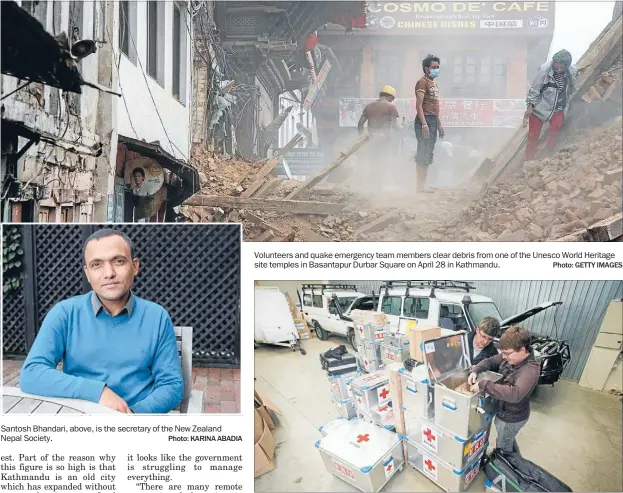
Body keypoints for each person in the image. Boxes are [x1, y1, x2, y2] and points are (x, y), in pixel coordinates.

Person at [19, 229, 184, 414]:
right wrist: (98, 392)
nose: (109, 273)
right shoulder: (65, 313)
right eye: (96, 265)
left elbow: (171, 385)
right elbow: (31, 373)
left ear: (135, 266)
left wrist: (133, 416)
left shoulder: (157, 317)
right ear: (87, 273)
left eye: (119, 261)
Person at [468, 326, 540, 456]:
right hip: (503, 411)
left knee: (503, 447)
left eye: (507, 353)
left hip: (512, 418)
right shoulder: (512, 355)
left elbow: (515, 394)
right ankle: (517, 462)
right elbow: (490, 361)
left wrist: (483, 384)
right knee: (508, 440)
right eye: (503, 353)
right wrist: (475, 370)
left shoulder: (530, 370)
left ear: (522, 350)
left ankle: (505, 468)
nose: (504, 357)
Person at [523, 49, 577, 161]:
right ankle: (528, 161)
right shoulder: (544, 70)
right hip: (540, 108)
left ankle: (548, 158)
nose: (559, 69)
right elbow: (535, 89)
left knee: (555, 132)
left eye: (562, 67)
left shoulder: (570, 71)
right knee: (533, 136)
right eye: (557, 66)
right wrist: (530, 106)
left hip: (558, 108)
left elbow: (575, 69)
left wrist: (581, 68)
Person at [357, 85, 401, 187]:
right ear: (390, 97)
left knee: (372, 162)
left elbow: (360, 124)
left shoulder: (369, 106)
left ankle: (371, 185)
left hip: (370, 139)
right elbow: (395, 127)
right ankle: (378, 187)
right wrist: (404, 128)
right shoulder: (391, 107)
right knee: (381, 163)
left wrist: (362, 137)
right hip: (383, 140)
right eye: (392, 99)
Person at [414, 54, 444, 191]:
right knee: (423, 152)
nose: (437, 69)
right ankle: (420, 186)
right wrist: (424, 124)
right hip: (424, 120)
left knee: (429, 152)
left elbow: (435, 106)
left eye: (438, 67)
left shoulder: (434, 83)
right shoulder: (423, 82)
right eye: (434, 67)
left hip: (432, 120)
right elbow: (419, 105)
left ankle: (424, 184)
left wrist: (439, 124)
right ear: (426, 69)